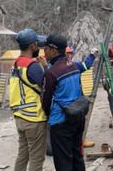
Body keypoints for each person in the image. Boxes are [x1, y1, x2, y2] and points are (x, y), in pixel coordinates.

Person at [41, 34, 97, 171]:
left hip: (61, 122)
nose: (44, 52)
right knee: (77, 156)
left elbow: (46, 102)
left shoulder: (51, 73)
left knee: (63, 161)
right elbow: (87, 65)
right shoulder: (75, 65)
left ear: (54, 51)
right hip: (78, 117)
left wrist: (48, 118)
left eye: (46, 48)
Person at [9, 28, 47, 171]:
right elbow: (47, 85)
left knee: (22, 155)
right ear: (32, 46)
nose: (39, 46)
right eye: (37, 44)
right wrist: (46, 67)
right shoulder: (33, 66)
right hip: (34, 120)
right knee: (36, 159)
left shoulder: (16, 64)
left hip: (19, 118)